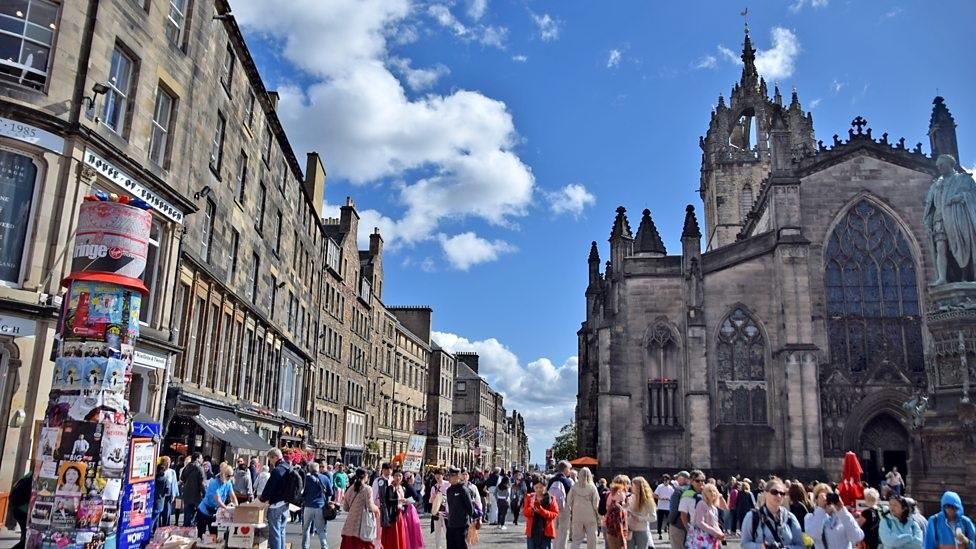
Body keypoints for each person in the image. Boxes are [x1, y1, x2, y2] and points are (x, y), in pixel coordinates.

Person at [741, 479, 804, 549]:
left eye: (782, 493)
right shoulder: (752, 516)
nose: (779, 496)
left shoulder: (790, 517)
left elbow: (800, 546)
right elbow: (745, 544)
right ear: (765, 493)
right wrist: (761, 547)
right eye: (774, 492)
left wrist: (785, 548)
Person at [259, 448, 292, 549]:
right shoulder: (288, 467)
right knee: (281, 531)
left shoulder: (277, 471)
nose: (271, 462)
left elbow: (269, 489)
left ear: (275, 457)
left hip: (276, 506)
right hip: (285, 504)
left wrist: (262, 499)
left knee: (275, 534)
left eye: (270, 459)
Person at [341, 468, 381, 549]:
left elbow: (345, 507)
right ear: (366, 476)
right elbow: (370, 506)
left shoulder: (350, 488)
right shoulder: (367, 489)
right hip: (362, 525)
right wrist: (377, 509)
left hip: (350, 524)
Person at [196, 463, 238, 539]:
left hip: (214, 513)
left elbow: (233, 496)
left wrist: (237, 507)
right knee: (201, 536)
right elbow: (218, 500)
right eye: (228, 476)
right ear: (223, 474)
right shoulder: (214, 483)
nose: (229, 478)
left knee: (214, 536)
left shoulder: (228, 483)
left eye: (231, 476)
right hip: (204, 511)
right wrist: (228, 509)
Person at [565, 467, 600, 549]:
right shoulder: (592, 487)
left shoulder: (574, 487)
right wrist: (599, 516)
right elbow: (596, 504)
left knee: (576, 539)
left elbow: (568, 500)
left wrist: (572, 509)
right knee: (592, 538)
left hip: (577, 515)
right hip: (590, 516)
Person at [302, 461, 334, 549]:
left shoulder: (306, 479)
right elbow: (330, 492)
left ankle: (305, 546)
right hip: (320, 506)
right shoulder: (325, 478)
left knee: (306, 529)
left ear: (309, 469)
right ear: (318, 469)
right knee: (320, 530)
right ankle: (324, 546)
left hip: (308, 506)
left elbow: (303, 493)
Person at [524, 475, 559, 549]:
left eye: (541, 487)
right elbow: (525, 513)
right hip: (532, 531)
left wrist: (542, 511)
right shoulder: (530, 497)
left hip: (545, 532)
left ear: (545, 487)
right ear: (533, 487)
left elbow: (555, 514)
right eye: (536, 487)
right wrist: (532, 508)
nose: (539, 490)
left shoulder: (551, 499)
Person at [687, 482, 726, 549]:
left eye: (714, 491)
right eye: (709, 491)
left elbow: (715, 524)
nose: (712, 493)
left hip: (712, 539)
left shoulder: (714, 507)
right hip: (702, 540)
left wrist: (721, 534)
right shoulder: (701, 504)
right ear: (705, 493)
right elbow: (700, 522)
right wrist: (716, 533)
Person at [446, 468, 476, 549]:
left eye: (451, 476)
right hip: (451, 525)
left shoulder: (463, 490)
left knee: (461, 546)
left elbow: (470, 508)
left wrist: (473, 522)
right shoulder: (449, 490)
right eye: (448, 475)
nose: (449, 478)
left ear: (458, 477)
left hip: (462, 525)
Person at [546, 460, 574, 549]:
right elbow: (571, 497)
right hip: (564, 508)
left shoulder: (551, 480)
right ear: (565, 469)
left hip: (553, 507)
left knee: (554, 530)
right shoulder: (568, 481)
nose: (570, 471)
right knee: (564, 531)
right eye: (569, 469)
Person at [380, 470, 409, 549]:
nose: (398, 478)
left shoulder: (402, 487)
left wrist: (406, 502)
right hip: (392, 514)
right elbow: (388, 500)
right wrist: (400, 500)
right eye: (396, 475)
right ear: (393, 477)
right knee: (392, 535)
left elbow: (402, 500)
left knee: (399, 534)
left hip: (399, 512)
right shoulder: (390, 487)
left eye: (400, 476)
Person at [629, 476, 657, 549]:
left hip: (641, 530)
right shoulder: (630, 497)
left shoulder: (648, 501)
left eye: (633, 485)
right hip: (629, 530)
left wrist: (640, 518)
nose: (631, 487)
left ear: (639, 487)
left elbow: (653, 518)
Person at [604, 476, 630, 549]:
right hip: (616, 536)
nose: (625, 495)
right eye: (623, 492)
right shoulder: (617, 508)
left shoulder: (613, 505)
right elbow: (619, 526)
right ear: (618, 493)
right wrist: (623, 542)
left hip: (611, 533)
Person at [181, 452, 206, 527]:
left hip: (187, 493)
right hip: (196, 494)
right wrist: (204, 493)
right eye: (201, 458)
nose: (202, 460)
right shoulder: (199, 468)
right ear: (198, 458)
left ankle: (186, 529)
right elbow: (201, 482)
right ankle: (194, 528)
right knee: (199, 512)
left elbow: (182, 478)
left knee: (187, 512)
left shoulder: (187, 466)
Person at [667, 471, 691, 549]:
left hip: (678, 525)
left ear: (683, 478)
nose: (676, 480)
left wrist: (670, 522)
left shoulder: (678, 491)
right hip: (691, 525)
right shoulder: (693, 490)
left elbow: (674, 510)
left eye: (678, 478)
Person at [401, 472, 425, 548]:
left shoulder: (404, 486)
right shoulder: (409, 486)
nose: (414, 479)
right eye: (413, 477)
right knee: (412, 529)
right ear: (410, 478)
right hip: (409, 510)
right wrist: (422, 490)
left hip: (405, 509)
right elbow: (417, 498)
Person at [9, 471, 31, 549]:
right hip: (23, 510)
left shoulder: (30, 474)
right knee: (26, 541)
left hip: (19, 508)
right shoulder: (34, 476)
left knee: (25, 538)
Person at [654, 475, 674, 540]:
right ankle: (659, 534)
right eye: (664, 480)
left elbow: (673, 497)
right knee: (660, 521)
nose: (665, 481)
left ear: (669, 480)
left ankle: (669, 534)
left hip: (668, 507)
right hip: (660, 507)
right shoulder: (660, 487)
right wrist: (660, 498)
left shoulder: (671, 488)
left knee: (669, 521)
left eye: (667, 480)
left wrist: (669, 499)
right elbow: (654, 495)